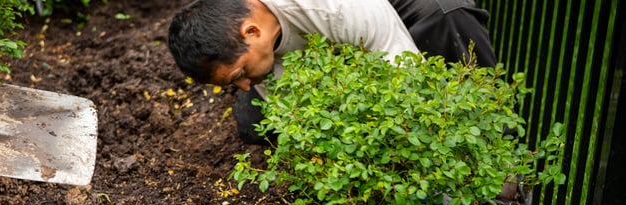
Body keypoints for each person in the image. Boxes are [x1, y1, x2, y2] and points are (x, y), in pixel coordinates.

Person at [167, 0, 497, 145]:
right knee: (254, 123)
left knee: (447, 17)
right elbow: (296, 118)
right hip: (321, 34)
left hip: (389, 9)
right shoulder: (231, 18)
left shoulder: (336, 7)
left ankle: (493, 144)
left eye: (239, 72)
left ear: (252, 32)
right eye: (232, 82)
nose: (242, 85)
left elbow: (405, 79)